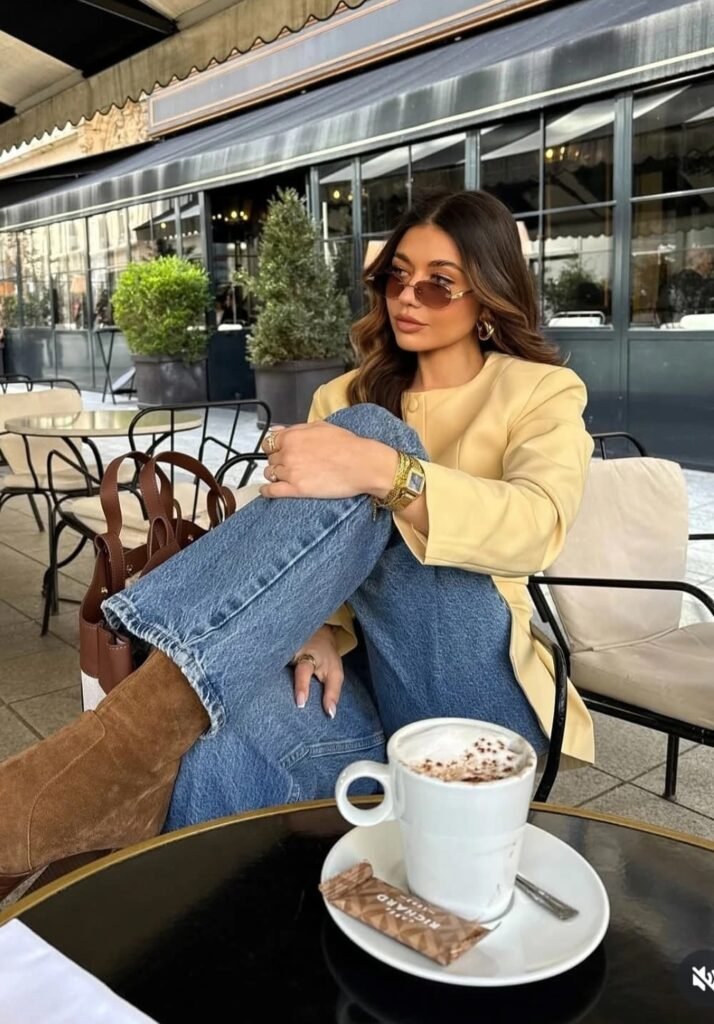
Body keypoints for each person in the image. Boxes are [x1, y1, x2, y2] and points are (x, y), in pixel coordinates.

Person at [0, 190, 595, 899]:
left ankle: (115, 745)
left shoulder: (539, 391)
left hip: (467, 688)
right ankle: (182, 913)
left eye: (439, 283)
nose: (408, 296)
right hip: (356, 690)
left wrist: (385, 471)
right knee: (220, 725)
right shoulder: (340, 394)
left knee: (373, 435)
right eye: (395, 276)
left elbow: (538, 525)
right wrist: (313, 623)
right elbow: (307, 542)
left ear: (489, 296)